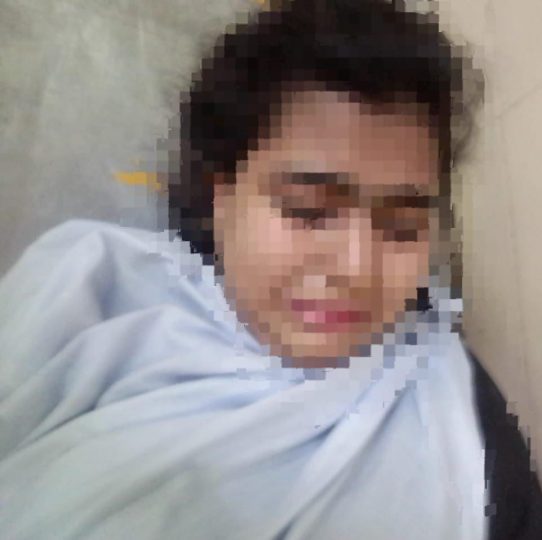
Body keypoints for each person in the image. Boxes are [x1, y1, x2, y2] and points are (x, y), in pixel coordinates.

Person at [0, 0, 540, 539]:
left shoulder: (457, 413)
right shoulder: (91, 290)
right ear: (221, 197)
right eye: (307, 210)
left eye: (402, 226)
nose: (357, 268)